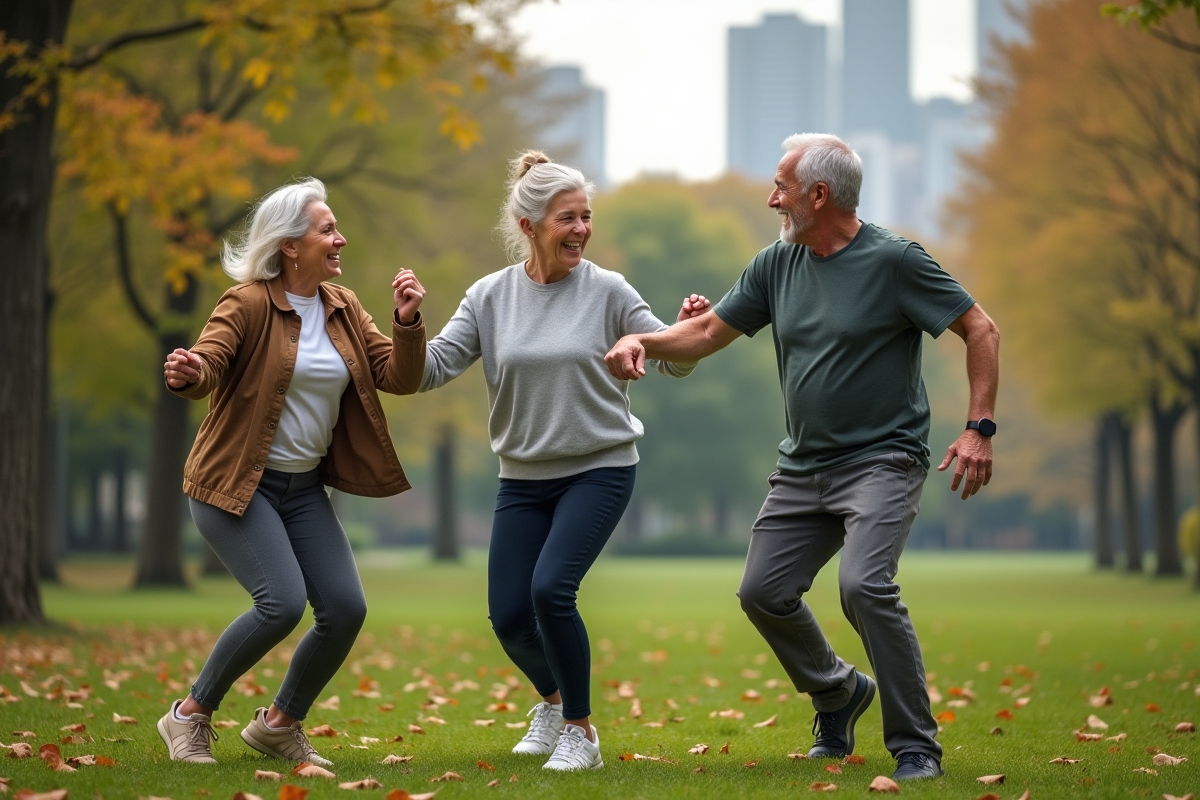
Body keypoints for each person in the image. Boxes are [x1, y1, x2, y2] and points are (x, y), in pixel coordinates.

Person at [604, 133, 1000, 782]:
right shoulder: (775, 265)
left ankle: (915, 746)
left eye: (782, 188)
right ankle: (838, 692)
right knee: (762, 592)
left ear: (819, 195)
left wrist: (978, 427)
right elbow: (705, 332)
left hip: (883, 461)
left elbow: (980, 328)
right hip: (803, 467)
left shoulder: (895, 261)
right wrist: (640, 340)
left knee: (865, 587)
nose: (772, 199)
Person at [419, 151, 709, 772]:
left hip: (599, 467)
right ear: (528, 225)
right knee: (508, 616)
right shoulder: (489, 297)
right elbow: (431, 368)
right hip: (522, 478)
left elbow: (671, 358)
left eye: (586, 217)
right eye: (567, 218)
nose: (581, 229)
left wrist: (682, 331)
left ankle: (580, 732)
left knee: (552, 590)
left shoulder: (607, 290)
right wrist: (407, 324)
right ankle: (550, 705)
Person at [157, 177, 427, 765]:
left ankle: (279, 725)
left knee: (345, 608)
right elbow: (212, 357)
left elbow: (397, 376)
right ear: (290, 245)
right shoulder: (248, 302)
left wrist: (406, 322)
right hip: (234, 485)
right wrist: (190, 371)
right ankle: (189, 716)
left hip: (302, 489)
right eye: (327, 230)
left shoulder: (343, 307)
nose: (340, 239)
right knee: (279, 603)